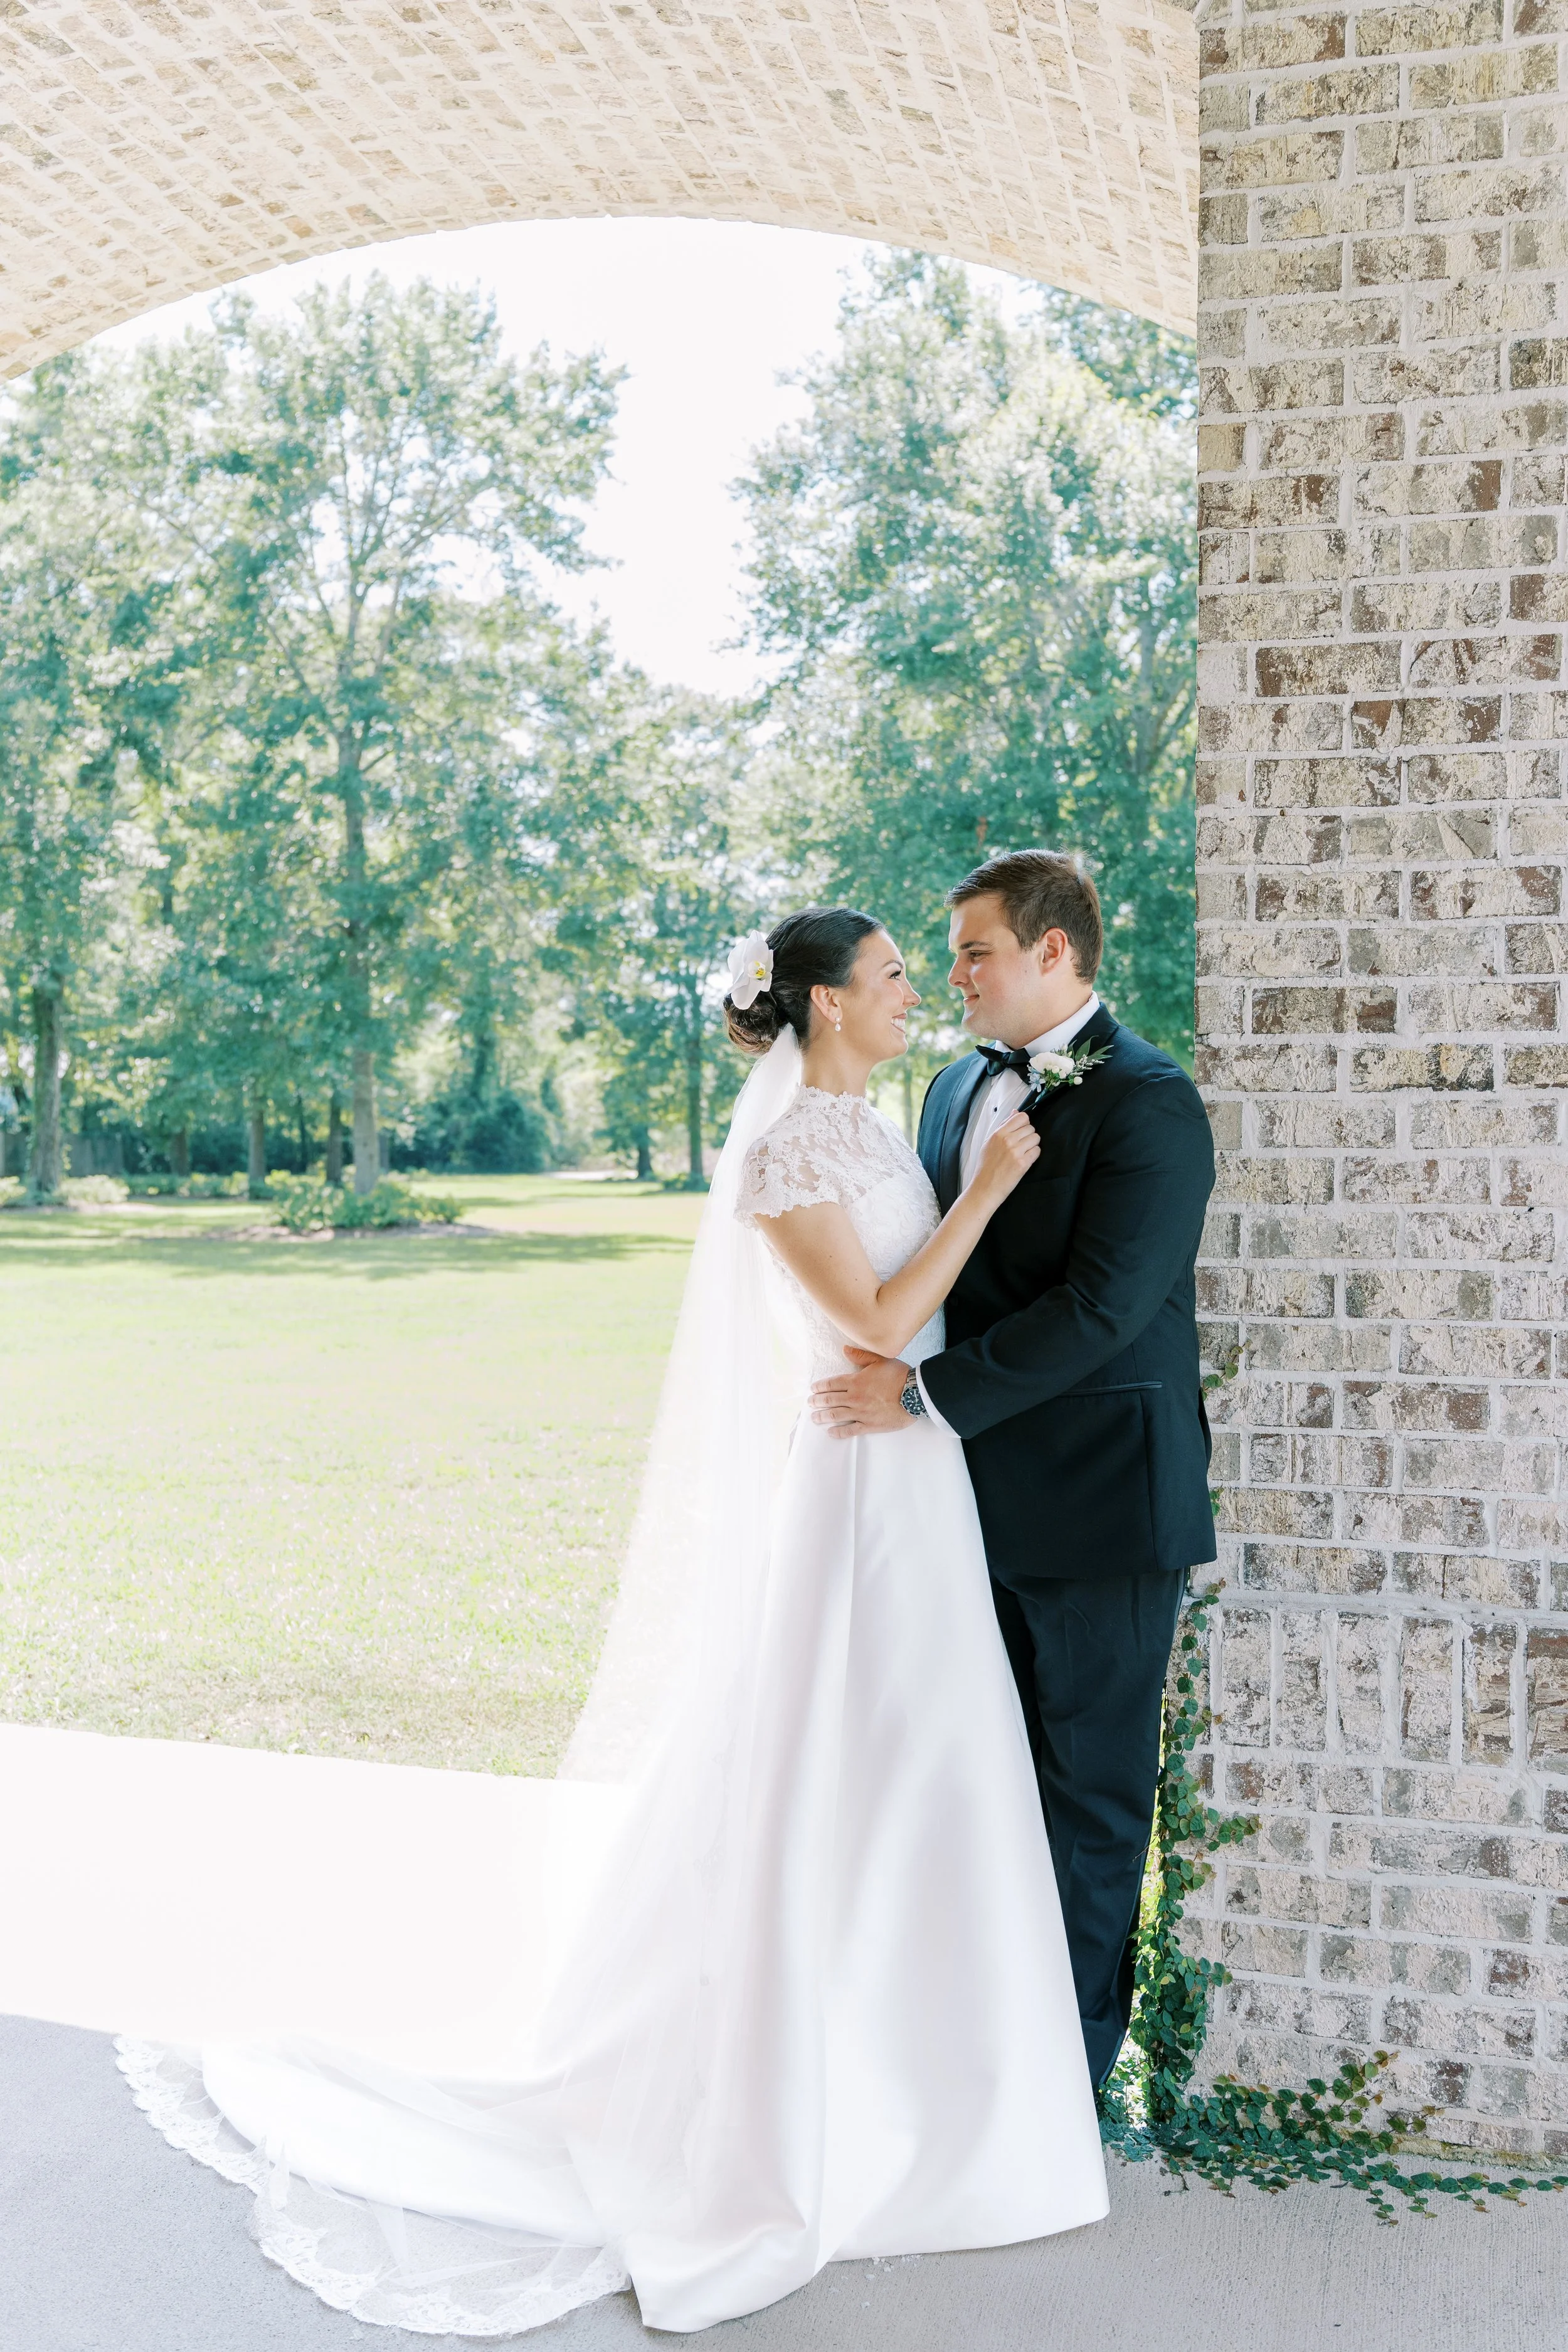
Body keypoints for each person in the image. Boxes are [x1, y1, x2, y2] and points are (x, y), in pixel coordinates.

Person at [121, 902, 1106, 2339]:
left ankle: (932, 2090)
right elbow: (877, 1329)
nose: (916, 993)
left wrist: (971, 1187)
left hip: (922, 1485)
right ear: (824, 1004)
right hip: (856, 1499)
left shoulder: (882, 1126)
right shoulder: (784, 1155)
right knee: (847, 1777)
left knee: (925, 1785)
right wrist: (986, 1194)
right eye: (893, 976)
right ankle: (802, 2109)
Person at [810, 852, 1217, 2089]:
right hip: (953, 1507)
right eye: (949, 953)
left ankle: (1064, 2089)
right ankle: (964, 2065)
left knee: (1089, 1809)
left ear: (1055, 952)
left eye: (975, 949)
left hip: (1098, 1510)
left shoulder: (1150, 1103)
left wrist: (921, 1396)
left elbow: (1101, 1309)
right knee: (967, 1788)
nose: (953, 975)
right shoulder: (946, 1091)